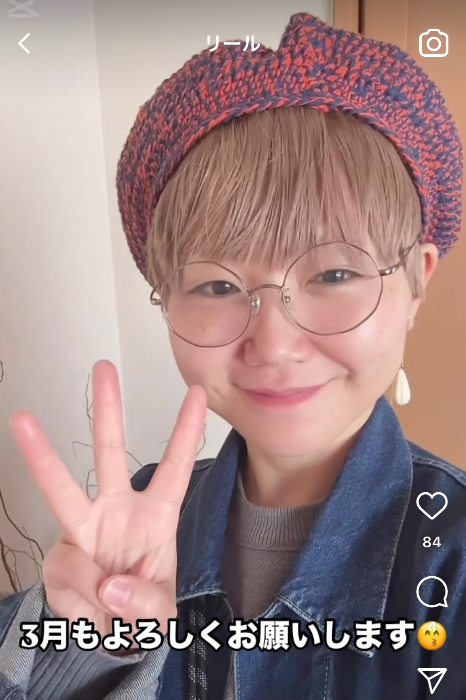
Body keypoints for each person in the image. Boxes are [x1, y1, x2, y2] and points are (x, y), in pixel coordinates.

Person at [1, 11, 464, 700]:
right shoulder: (137, 522)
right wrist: (89, 652)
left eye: (334, 275)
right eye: (218, 286)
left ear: (416, 283)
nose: (273, 344)